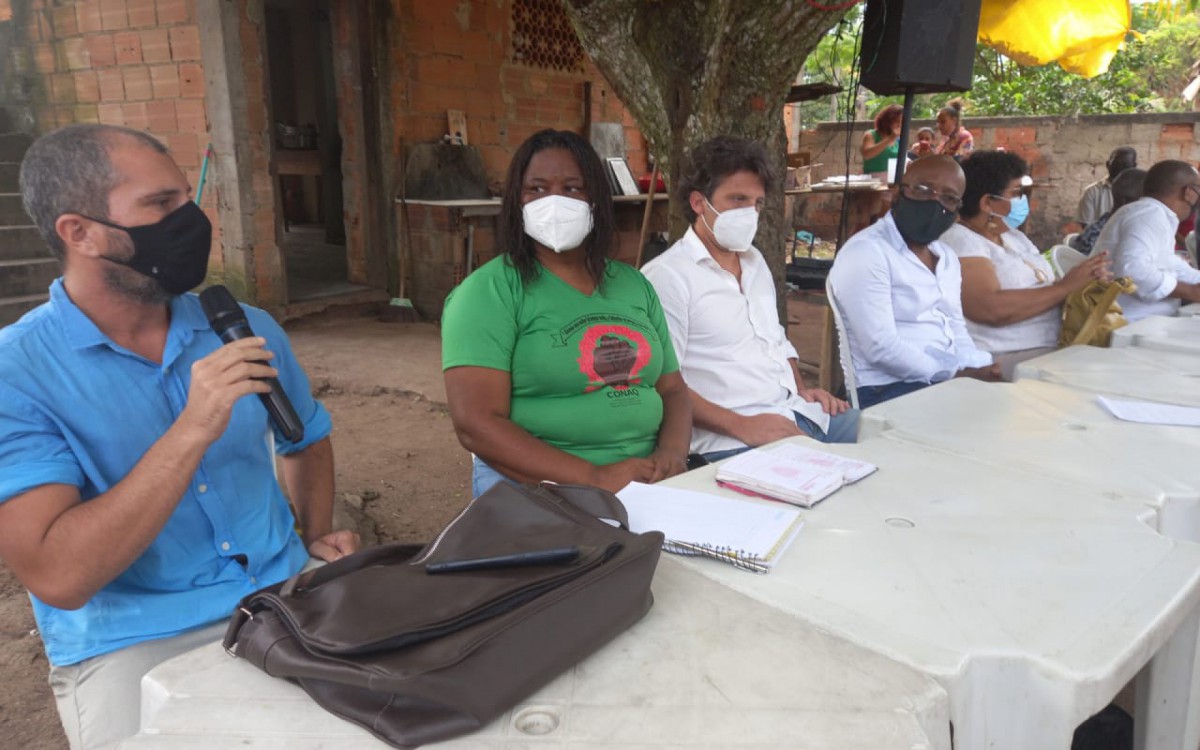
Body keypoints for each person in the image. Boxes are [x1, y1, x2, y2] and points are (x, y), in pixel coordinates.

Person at [0, 124, 359, 750]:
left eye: (185, 199)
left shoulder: (243, 327)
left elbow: (307, 438)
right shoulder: (17, 374)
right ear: (78, 232)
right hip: (134, 637)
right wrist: (192, 428)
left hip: (280, 595)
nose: (189, 221)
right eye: (160, 206)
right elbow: (58, 575)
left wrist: (310, 538)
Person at [441, 129, 691, 497]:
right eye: (537, 189)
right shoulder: (488, 292)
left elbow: (673, 389)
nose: (554, 201)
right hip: (537, 488)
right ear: (516, 200)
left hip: (647, 481)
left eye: (573, 188)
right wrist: (595, 477)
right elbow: (475, 424)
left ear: (596, 199)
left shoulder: (633, 285)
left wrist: (671, 454)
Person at [641, 136, 857, 464]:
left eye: (756, 203)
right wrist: (744, 426)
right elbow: (661, 381)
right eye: (737, 199)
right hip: (727, 441)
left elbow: (775, 341)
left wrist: (800, 389)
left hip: (796, 416)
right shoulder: (667, 277)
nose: (749, 213)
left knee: (896, 447)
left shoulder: (754, 262)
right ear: (699, 203)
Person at [827, 156, 999, 408]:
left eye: (948, 198)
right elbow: (880, 348)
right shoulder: (867, 252)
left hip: (943, 379)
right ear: (897, 194)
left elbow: (955, 327)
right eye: (922, 190)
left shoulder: (946, 257)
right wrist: (953, 375)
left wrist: (975, 366)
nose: (934, 201)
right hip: (884, 389)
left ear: (956, 209)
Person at [941, 151, 1112, 379]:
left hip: (1049, 346)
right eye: (1016, 193)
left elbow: (1044, 288)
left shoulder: (1014, 237)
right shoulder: (960, 240)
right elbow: (989, 308)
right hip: (1002, 355)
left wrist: (1085, 280)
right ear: (987, 202)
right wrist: (1064, 288)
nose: (1024, 200)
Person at [1097, 159, 1200, 321]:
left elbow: (1170, 264)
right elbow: (1132, 271)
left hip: (1143, 323)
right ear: (1189, 193)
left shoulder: (1152, 214)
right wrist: (1190, 291)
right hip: (1127, 325)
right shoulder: (1149, 215)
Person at [1071, 167, 1146, 256]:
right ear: (1125, 202)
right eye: (1144, 202)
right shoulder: (1098, 239)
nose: (1148, 208)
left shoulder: (1113, 226)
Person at [1077, 147, 1137, 226]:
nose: (1120, 169)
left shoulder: (1141, 193)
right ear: (1108, 165)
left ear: (1134, 166)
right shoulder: (1092, 192)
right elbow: (1085, 227)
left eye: (1126, 165)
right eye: (1116, 164)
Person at [861, 104, 903, 181]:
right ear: (887, 121)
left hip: (892, 181)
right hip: (872, 181)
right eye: (897, 122)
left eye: (902, 123)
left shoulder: (899, 140)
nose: (900, 125)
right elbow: (867, 154)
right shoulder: (871, 135)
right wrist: (890, 138)